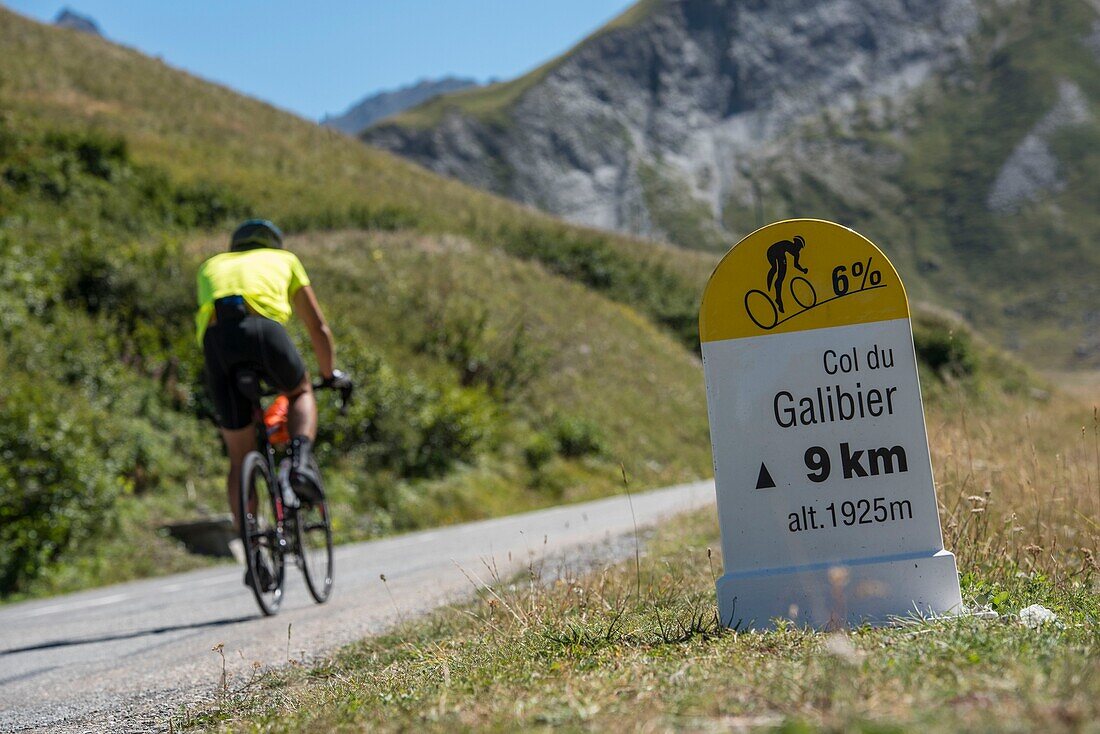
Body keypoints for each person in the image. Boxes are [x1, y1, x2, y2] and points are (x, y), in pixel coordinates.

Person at [195, 219, 349, 540]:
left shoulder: (210, 265)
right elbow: (318, 326)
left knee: (239, 459)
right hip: (263, 331)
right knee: (300, 391)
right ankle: (300, 462)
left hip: (216, 344)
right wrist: (328, 373)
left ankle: (251, 543)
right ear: (272, 243)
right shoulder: (285, 259)